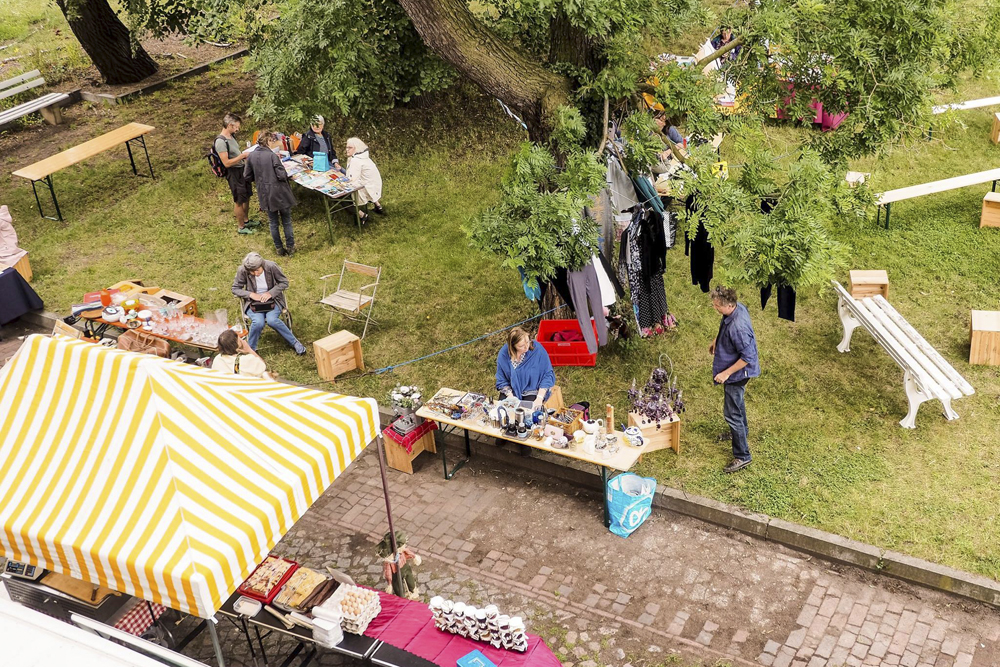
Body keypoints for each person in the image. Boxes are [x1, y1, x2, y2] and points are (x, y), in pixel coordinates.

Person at [708, 286, 760, 473]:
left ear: (729, 305)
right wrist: (717, 339)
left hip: (738, 374)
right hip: (735, 369)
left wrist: (726, 374)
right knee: (737, 403)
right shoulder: (737, 309)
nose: (715, 308)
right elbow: (725, 323)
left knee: (732, 413)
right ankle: (742, 432)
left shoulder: (738, 328)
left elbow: (748, 358)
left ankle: (742, 456)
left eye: (717, 306)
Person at [231, 251, 307, 355]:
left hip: (273, 300)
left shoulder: (271, 266)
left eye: (257, 270)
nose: (255, 274)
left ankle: (294, 343)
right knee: (258, 322)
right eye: (252, 272)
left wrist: (270, 293)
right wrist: (251, 295)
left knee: (272, 320)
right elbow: (235, 288)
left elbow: (284, 282)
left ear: (262, 265)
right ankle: (250, 350)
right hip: (254, 304)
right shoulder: (243, 270)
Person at [244, 130, 298, 256]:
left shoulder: (251, 156)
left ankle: (279, 248)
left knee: (273, 222)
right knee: (286, 220)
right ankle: (290, 247)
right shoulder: (272, 156)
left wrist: (258, 179)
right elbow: (281, 175)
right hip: (280, 193)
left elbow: (247, 176)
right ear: (268, 141)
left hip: (265, 194)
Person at [214, 112, 257, 235]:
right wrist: (242, 156)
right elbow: (226, 163)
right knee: (239, 199)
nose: (238, 129)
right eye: (236, 126)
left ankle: (246, 220)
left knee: (247, 195)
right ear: (229, 125)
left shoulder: (232, 137)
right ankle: (241, 227)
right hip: (234, 173)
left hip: (242, 169)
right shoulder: (221, 142)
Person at [495, 327, 556, 410]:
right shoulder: (504, 354)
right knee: (502, 412)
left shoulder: (537, 349)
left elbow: (547, 374)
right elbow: (501, 379)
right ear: (513, 346)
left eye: (527, 342)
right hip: (511, 390)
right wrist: (511, 397)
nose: (526, 347)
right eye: (521, 346)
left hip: (531, 390)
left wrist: (539, 398)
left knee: (529, 414)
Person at [345, 137, 383, 223]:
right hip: (374, 185)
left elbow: (351, 179)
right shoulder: (364, 156)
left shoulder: (356, 160)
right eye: (346, 147)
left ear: (356, 148)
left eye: (350, 148)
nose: (347, 150)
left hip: (366, 188)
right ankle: (378, 206)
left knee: (340, 197)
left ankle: (362, 215)